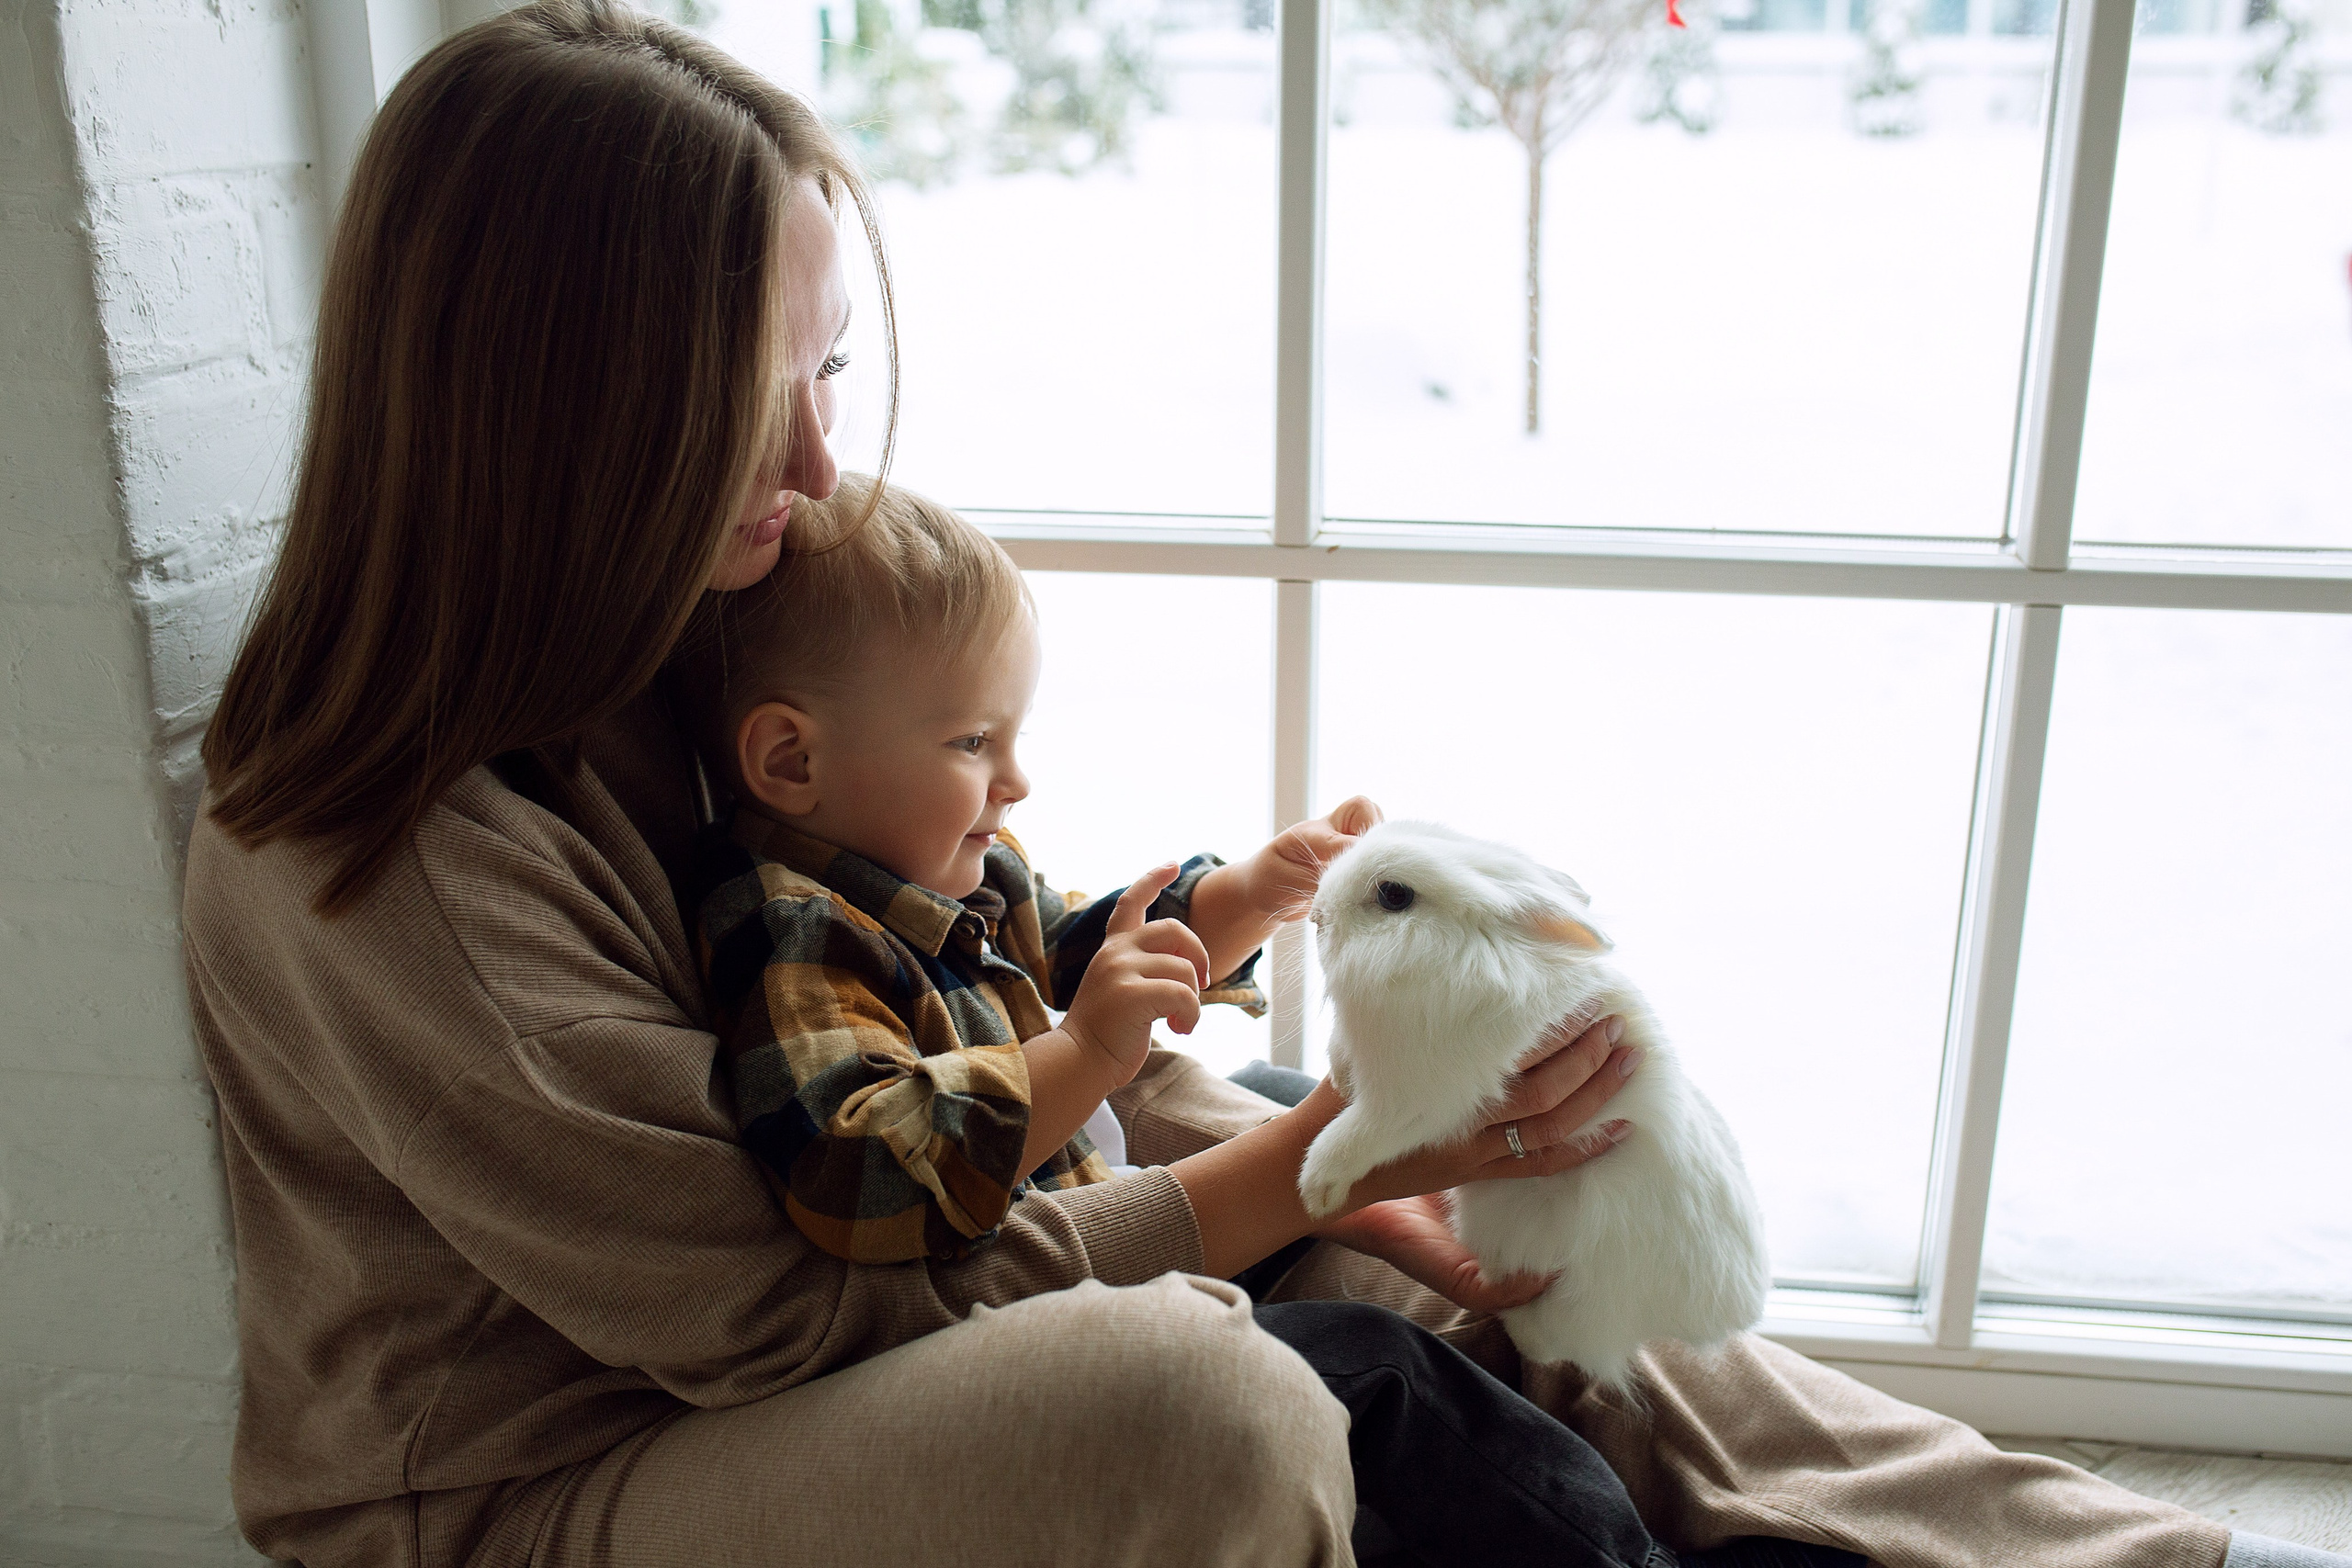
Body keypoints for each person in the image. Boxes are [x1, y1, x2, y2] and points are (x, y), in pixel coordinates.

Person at [177, 3, 2288, 1565]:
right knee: (1182, 1392)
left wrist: (1364, 1157)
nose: (824, 466)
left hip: (863, 1254)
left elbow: (983, 1018)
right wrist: (1278, 1188)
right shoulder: (385, 860)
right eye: (758, 398)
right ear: (565, 406)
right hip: (565, 1477)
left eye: (825, 373)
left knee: (1474, 1231)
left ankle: (2131, 1558)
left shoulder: (705, 634)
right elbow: (780, 1310)